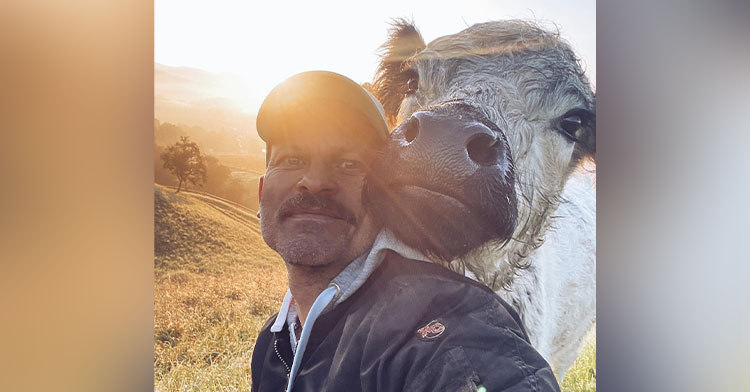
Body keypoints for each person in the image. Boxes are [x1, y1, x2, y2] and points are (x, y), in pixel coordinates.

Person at [250, 70, 559, 391]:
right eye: (291, 159)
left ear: (383, 197)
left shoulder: (432, 318)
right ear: (261, 195)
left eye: (348, 164)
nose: (314, 182)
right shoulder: (271, 344)